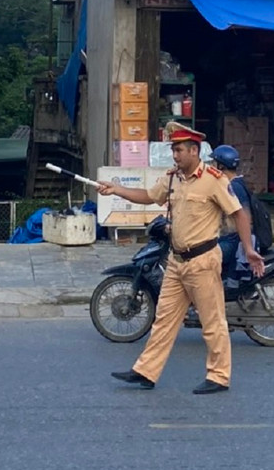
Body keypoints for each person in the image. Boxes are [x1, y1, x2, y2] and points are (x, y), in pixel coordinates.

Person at [98, 122, 265, 394]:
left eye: (179, 150)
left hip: (203, 260)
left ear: (194, 151)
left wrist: (248, 249)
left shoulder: (213, 179)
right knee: (163, 320)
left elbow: (238, 213)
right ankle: (145, 372)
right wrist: (116, 189)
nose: (175, 155)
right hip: (177, 262)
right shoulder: (173, 178)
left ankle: (219, 377)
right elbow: (148, 196)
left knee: (212, 323)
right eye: (173, 150)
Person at [211, 144, 253, 287]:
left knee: (201, 259)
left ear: (221, 166)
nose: (211, 167)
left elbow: (245, 216)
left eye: (213, 163)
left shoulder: (233, 187)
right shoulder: (234, 183)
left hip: (232, 241)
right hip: (229, 238)